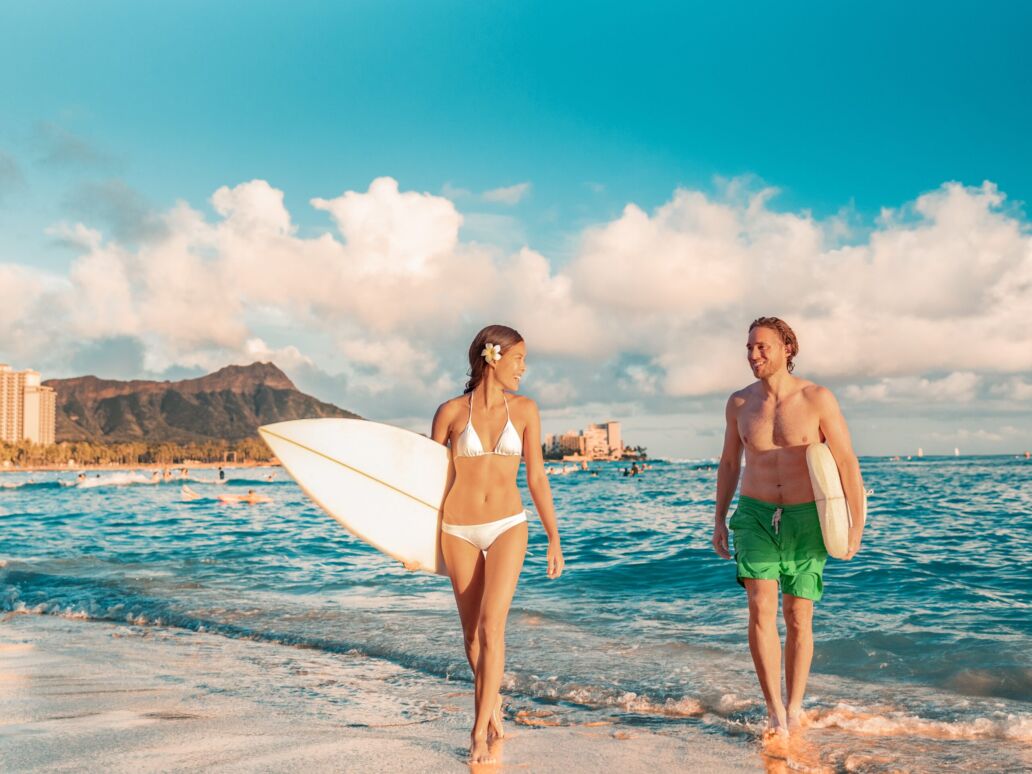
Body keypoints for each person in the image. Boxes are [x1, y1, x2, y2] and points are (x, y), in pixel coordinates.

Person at [712, 317, 865, 739]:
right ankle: (775, 712)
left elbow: (847, 461)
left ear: (787, 349)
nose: (753, 355)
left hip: (806, 518)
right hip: (755, 515)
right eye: (748, 348)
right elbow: (729, 463)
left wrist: (855, 524)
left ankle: (795, 707)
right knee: (761, 608)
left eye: (762, 347)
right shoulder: (740, 403)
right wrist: (719, 519)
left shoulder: (817, 398)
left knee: (798, 616)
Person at [431, 324, 564, 764]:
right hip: (458, 529)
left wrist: (553, 536)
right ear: (494, 357)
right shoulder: (450, 412)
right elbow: (427, 480)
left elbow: (537, 477)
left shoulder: (525, 410)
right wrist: (412, 544)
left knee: (492, 626)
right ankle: (493, 707)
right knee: (471, 637)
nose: (524, 368)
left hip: (508, 524)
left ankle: (478, 732)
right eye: (519, 359)